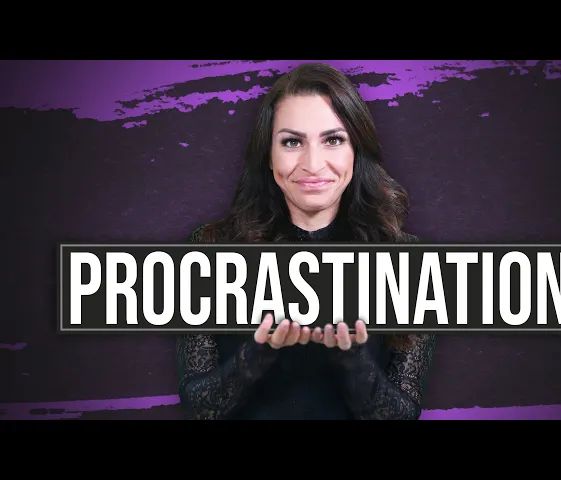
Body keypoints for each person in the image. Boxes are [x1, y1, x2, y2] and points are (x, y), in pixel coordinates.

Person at [176, 62, 436, 420]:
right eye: (292, 142)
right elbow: (200, 408)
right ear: (268, 155)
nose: (313, 164)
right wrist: (258, 351)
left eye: (333, 140)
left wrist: (351, 359)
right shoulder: (210, 248)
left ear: (356, 150)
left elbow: (403, 414)